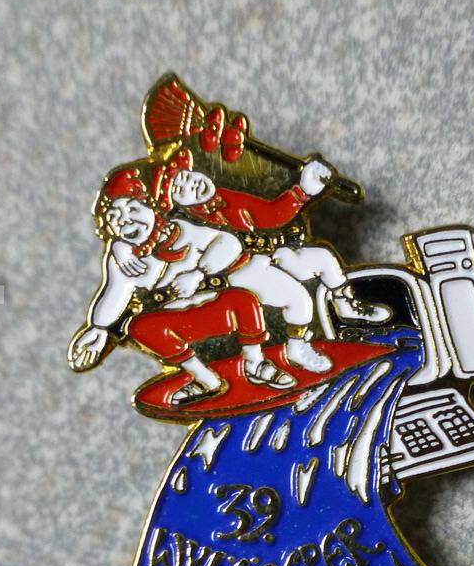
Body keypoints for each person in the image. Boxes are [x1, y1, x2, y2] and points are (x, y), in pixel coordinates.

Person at [113, 153, 391, 380]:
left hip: (265, 253)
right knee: (297, 299)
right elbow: (142, 244)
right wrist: (120, 248)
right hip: (235, 272)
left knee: (322, 258)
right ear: (174, 206)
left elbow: (270, 215)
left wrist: (305, 190)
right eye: (179, 189)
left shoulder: (224, 197)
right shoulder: (185, 227)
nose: (191, 184)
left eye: (187, 176)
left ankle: (346, 305)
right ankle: (297, 348)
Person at [68, 161, 291, 401]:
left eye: (132, 209)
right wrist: (98, 328)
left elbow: (228, 243)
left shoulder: (181, 230)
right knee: (140, 328)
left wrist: (198, 273)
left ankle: (255, 363)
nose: (126, 221)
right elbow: (114, 294)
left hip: (212, 306)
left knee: (244, 300)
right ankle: (205, 379)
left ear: (151, 208)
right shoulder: (125, 262)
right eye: (115, 218)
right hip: (177, 320)